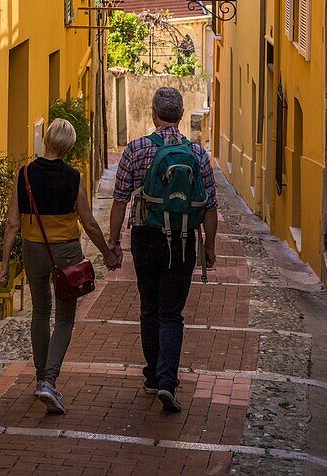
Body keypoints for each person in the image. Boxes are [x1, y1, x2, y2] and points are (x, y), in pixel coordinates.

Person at [107, 87, 218, 414]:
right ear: (180, 116)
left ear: (154, 114)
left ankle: (153, 376)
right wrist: (209, 247)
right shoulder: (197, 154)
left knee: (149, 307)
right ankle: (168, 381)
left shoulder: (136, 149)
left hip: (146, 237)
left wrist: (113, 243)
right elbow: (210, 205)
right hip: (183, 238)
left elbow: (119, 200)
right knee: (172, 312)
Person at [0, 117, 120, 415]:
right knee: (65, 318)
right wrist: (107, 253)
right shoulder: (73, 177)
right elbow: (89, 222)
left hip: (33, 249)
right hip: (65, 251)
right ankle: (49, 381)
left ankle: (41, 377)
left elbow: (12, 222)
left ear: (47, 140)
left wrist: (4, 266)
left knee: (40, 311)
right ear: (69, 145)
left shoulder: (24, 174)